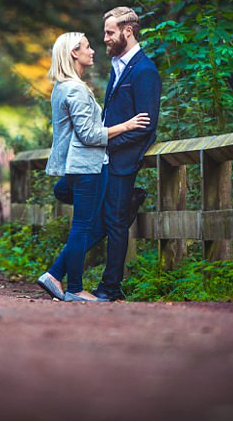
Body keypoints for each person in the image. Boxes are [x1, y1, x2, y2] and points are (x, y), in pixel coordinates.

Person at [35, 32, 149, 302]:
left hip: (82, 166)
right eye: (86, 46)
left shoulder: (64, 86)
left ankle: (54, 274)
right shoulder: (73, 89)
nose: (92, 50)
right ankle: (74, 288)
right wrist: (127, 125)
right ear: (74, 52)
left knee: (93, 224)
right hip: (86, 166)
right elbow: (88, 134)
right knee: (83, 227)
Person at [94, 6, 162, 302]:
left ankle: (110, 287)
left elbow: (146, 127)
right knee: (99, 213)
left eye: (110, 32)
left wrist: (109, 144)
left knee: (116, 223)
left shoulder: (145, 71)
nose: (105, 38)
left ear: (128, 31)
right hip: (105, 158)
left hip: (123, 161)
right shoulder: (119, 66)